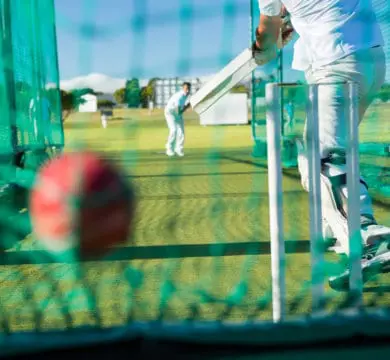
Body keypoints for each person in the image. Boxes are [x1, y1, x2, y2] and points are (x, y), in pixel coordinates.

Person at [254, 0, 390, 289]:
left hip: (334, 65)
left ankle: (369, 237)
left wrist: (263, 47)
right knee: (312, 162)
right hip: (370, 62)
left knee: (323, 160)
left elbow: (266, 39)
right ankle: (343, 240)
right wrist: (287, 26)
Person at [164, 82, 191, 157]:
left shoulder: (186, 95)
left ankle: (179, 149)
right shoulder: (179, 96)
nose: (188, 90)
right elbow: (179, 111)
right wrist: (187, 106)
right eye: (186, 88)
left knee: (181, 131)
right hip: (170, 113)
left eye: (189, 88)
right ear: (183, 88)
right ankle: (169, 149)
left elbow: (179, 111)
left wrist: (187, 105)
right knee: (173, 130)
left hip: (177, 113)